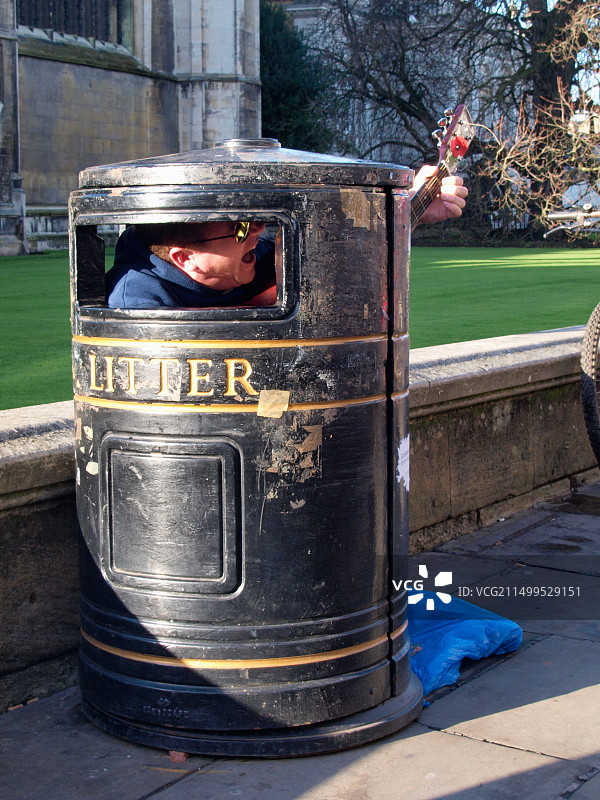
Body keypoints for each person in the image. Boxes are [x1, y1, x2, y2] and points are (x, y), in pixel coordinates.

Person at [105, 166, 467, 309]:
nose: (259, 232)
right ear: (185, 259)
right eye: (242, 229)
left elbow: (345, 253)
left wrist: (411, 213)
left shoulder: (257, 255)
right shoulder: (136, 298)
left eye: (256, 220)